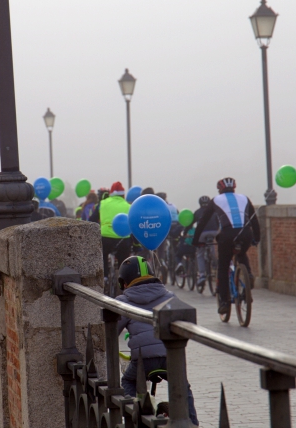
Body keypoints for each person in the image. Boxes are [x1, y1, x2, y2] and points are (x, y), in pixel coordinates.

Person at [116, 256, 199, 426]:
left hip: (143, 361)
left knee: (128, 381)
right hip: (169, 355)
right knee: (182, 384)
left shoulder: (123, 302)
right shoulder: (169, 295)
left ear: (124, 282)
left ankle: (134, 418)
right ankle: (192, 422)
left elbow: (110, 330)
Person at [193, 178, 260, 315]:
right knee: (241, 254)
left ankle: (223, 302)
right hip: (245, 233)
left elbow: (202, 222)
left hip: (227, 235)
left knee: (223, 266)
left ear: (220, 190)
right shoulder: (245, 198)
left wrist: (195, 240)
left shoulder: (216, 200)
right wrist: (256, 239)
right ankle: (249, 275)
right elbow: (254, 220)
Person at [90, 182, 131, 280]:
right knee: (124, 260)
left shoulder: (102, 203)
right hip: (123, 239)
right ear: (123, 194)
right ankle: (123, 278)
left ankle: (104, 277)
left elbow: (92, 220)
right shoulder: (128, 206)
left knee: (102, 255)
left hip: (106, 237)